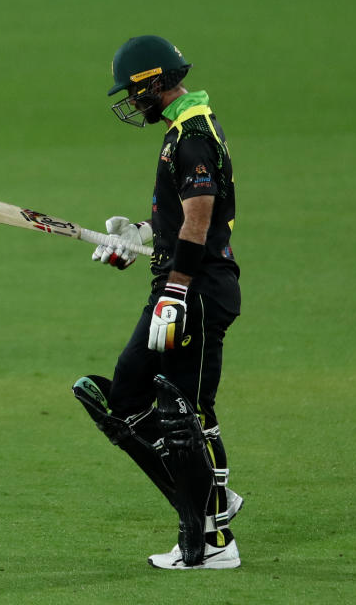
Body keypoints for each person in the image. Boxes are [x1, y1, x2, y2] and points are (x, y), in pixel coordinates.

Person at [72, 35, 243, 570]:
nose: (131, 100)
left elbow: (200, 219)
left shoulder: (191, 138)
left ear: (154, 83)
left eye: (134, 90)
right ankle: (210, 502)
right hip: (179, 281)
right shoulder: (184, 130)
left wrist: (175, 286)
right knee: (125, 392)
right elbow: (179, 222)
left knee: (187, 411)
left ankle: (214, 540)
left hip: (193, 289)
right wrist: (138, 237)